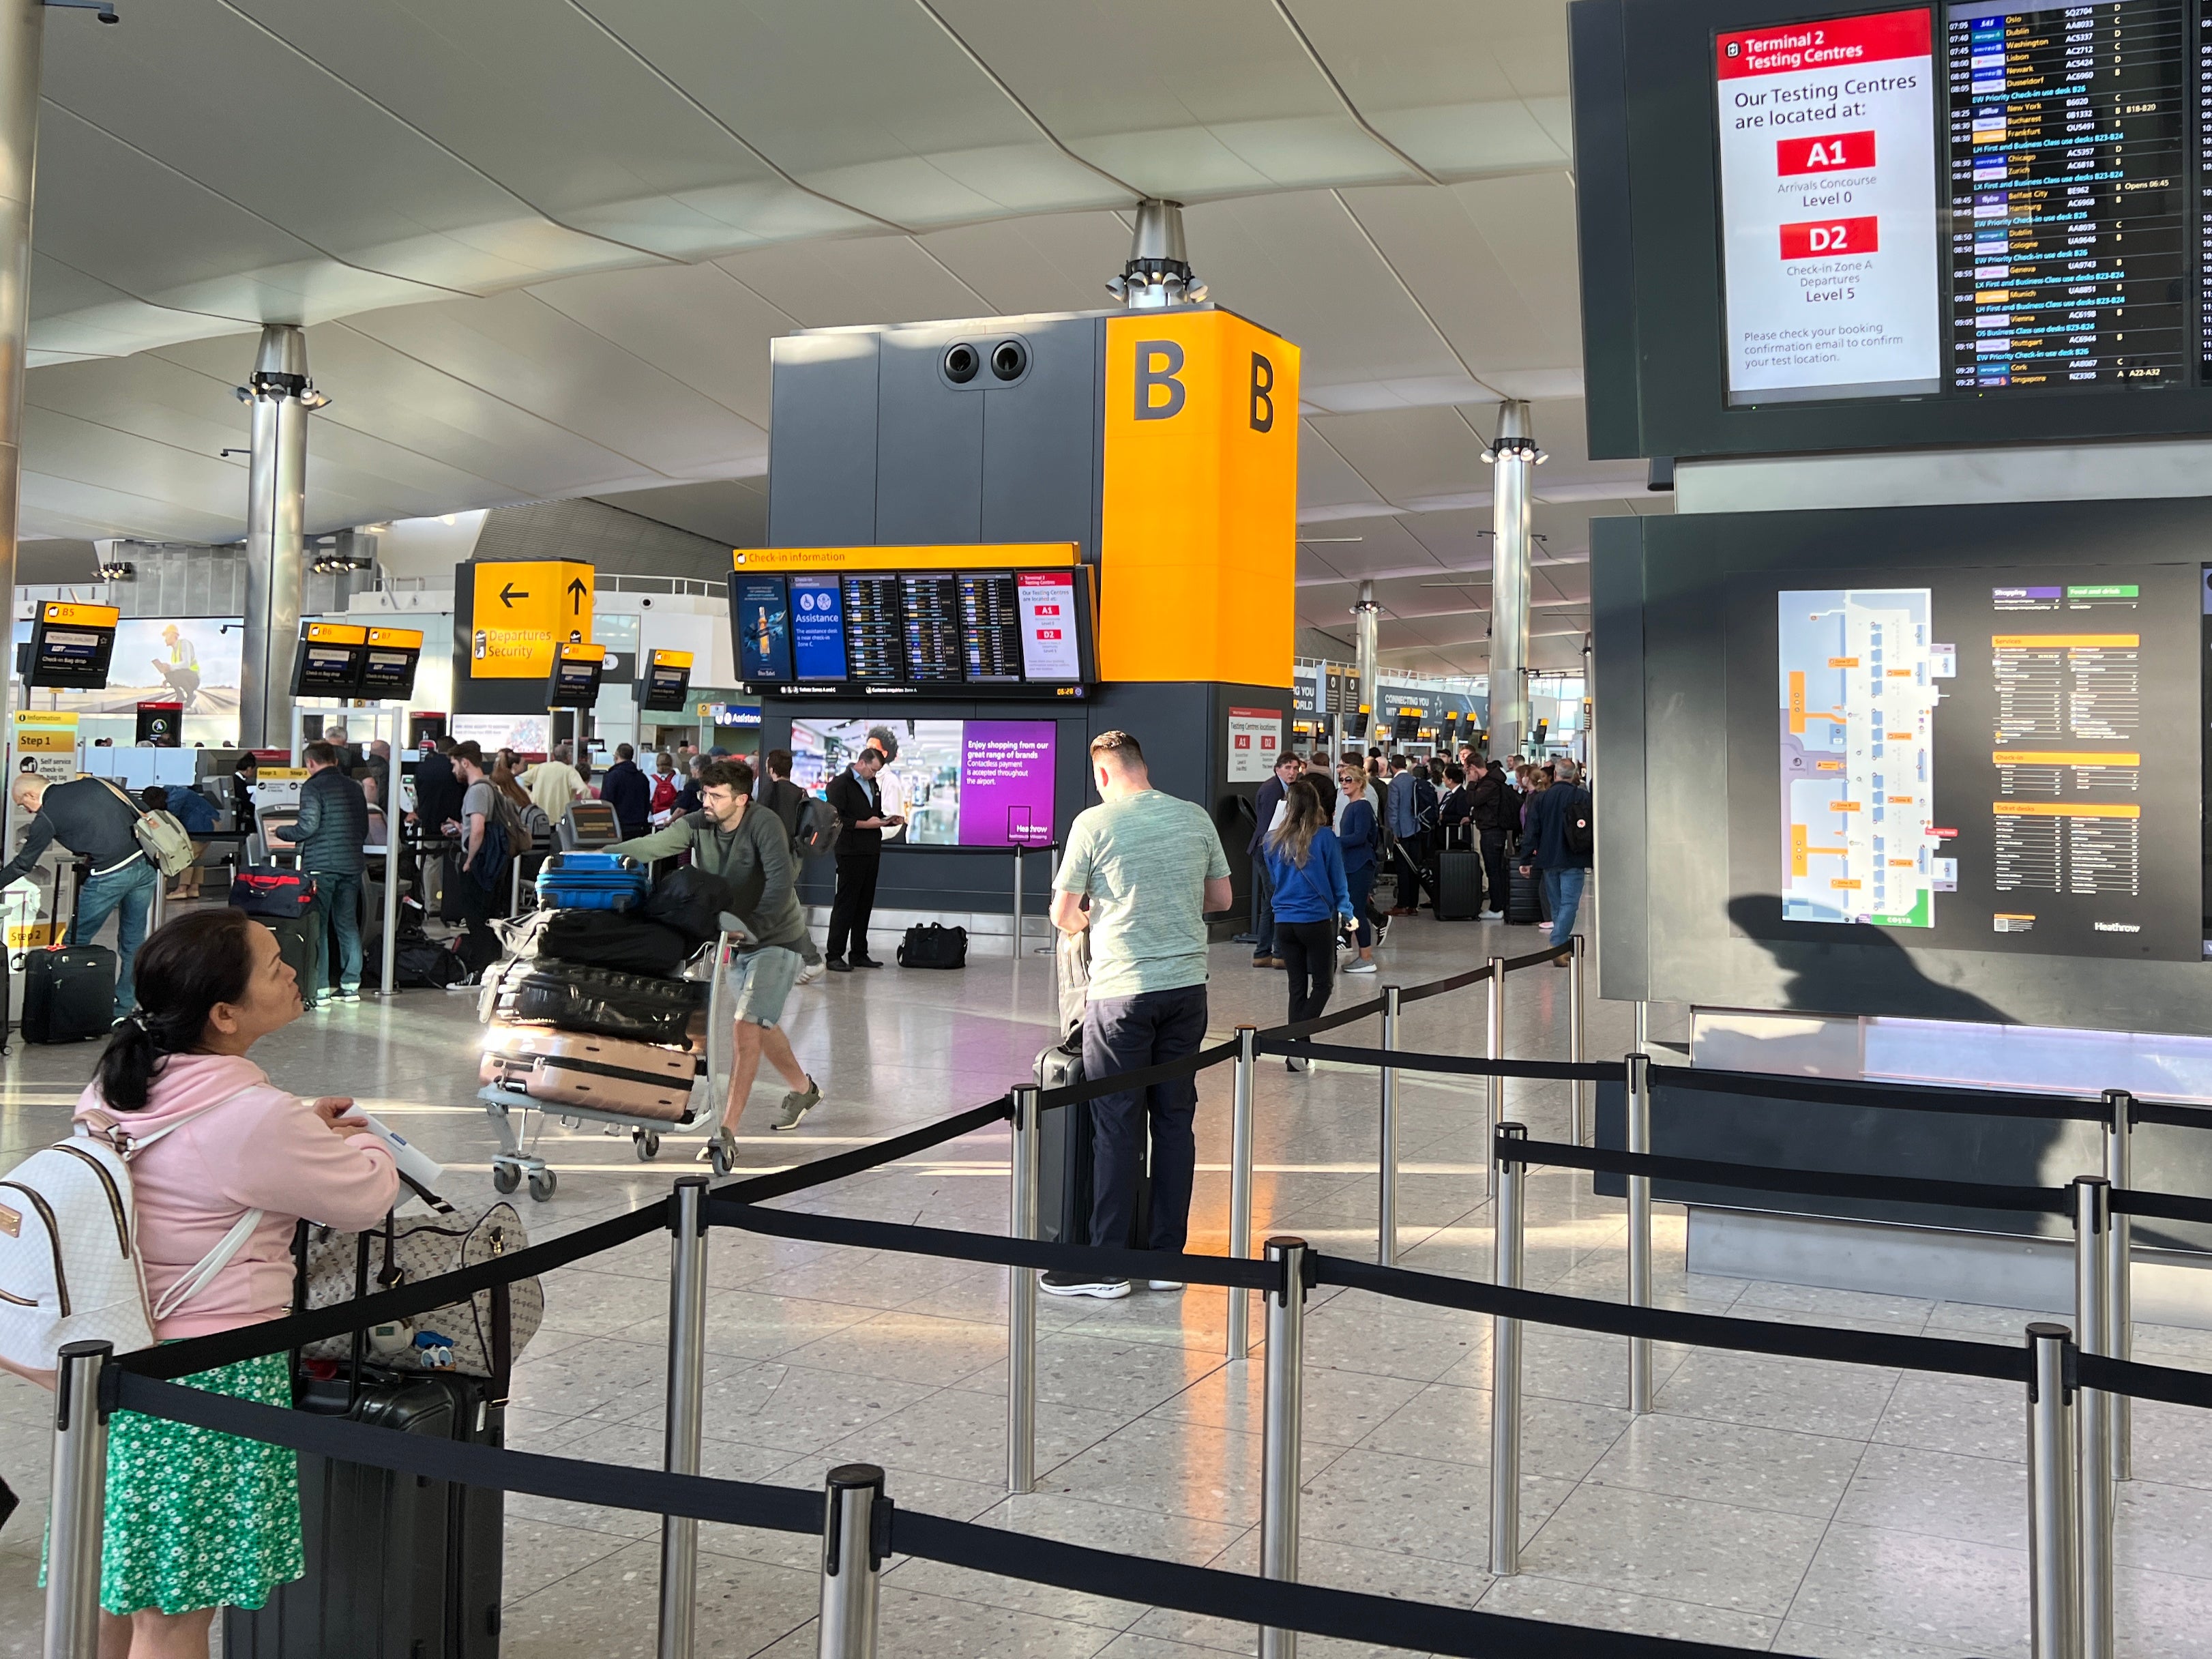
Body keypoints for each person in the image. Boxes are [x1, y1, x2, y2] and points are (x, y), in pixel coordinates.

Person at [55, 913, 395, 1651]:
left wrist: (300, 1125)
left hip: (112, 1360)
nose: (291, 968)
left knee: (116, 1577)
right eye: (273, 963)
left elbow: (208, 1153)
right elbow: (365, 1197)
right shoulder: (253, 1118)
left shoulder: (118, 1086)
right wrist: (371, 1139)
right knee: (177, 1612)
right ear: (223, 1013)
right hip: (213, 1373)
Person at [1044, 731, 1231, 1300]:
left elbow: (1062, 914)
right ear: (1142, 768)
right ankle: (1165, 1260)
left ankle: (1108, 1266)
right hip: (1186, 991)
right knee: (1175, 1121)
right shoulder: (1194, 817)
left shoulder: (1093, 824)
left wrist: (1102, 918)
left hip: (1121, 996)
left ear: (1103, 775)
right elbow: (1221, 900)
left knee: (1117, 1124)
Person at [605, 758, 821, 1151]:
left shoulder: (764, 824)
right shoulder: (699, 823)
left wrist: (748, 925)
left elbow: (779, 883)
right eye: (705, 792)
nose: (707, 801)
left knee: (745, 1028)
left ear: (741, 800)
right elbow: (653, 846)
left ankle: (726, 1132)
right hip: (732, 939)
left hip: (777, 939)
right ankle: (804, 1089)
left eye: (716, 796)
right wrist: (602, 855)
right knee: (761, 1024)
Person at [0, 774, 158, 1021]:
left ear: (31, 795)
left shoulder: (48, 816)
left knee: (76, 940)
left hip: (110, 875)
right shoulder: (95, 783)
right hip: (145, 865)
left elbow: (23, 864)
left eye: (23, 805)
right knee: (133, 942)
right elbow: (144, 809)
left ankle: (69, 1011)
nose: (27, 811)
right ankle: (122, 1008)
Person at [267, 742, 370, 1005]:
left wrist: (280, 832)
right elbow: (363, 827)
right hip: (351, 865)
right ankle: (351, 986)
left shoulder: (313, 787)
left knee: (319, 926)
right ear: (334, 760)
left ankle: (321, 988)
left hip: (321, 866)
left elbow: (308, 827)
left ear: (310, 763)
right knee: (348, 925)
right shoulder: (355, 787)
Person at [1264, 776, 1353, 1070]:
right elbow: (1338, 882)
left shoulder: (1272, 840)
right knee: (1324, 984)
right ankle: (1296, 1042)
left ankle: (1298, 1056)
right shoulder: (1326, 837)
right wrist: (1348, 913)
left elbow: (1276, 881)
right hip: (1315, 920)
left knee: (1296, 987)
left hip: (1284, 921)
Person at [825, 746, 898, 970]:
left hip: (871, 850)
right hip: (850, 851)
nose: (874, 775)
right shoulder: (840, 784)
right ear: (862, 763)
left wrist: (887, 820)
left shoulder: (872, 784)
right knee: (846, 903)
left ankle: (859, 952)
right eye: (872, 770)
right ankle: (834, 954)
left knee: (864, 904)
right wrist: (866, 825)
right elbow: (836, 819)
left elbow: (870, 814)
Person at [441, 742, 510, 955]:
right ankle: (488, 964)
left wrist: (469, 860)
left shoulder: (477, 790)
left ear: (465, 762)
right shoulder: (490, 786)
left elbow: (479, 829)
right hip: (491, 862)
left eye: (455, 765)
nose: (454, 771)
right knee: (487, 918)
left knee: (476, 919)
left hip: (479, 864)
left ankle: (482, 967)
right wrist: (464, 830)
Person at [1520, 757, 1592, 947]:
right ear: (1575, 775)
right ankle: (1559, 942)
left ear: (1555, 774)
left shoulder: (1542, 797)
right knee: (1570, 903)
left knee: (1556, 903)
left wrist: (1525, 859)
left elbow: (1532, 829)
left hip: (1548, 858)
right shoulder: (1583, 797)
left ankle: (1558, 944)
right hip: (1575, 857)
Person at [1245, 751, 1299, 969]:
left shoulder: (1285, 789)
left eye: (1295, 768)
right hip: (1267, 851)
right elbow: (1268, 827)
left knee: (1270, 902)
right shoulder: (1272, 790)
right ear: (1277, 769)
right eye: (1288, 768)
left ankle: (1263, 952)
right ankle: (1278, 952)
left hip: (1272, 850)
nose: (1292, 772)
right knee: (1277, 900)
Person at [1336, 763, 1381, 973]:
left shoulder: (1361, 807)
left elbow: (1360, 836)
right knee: (1354, 910)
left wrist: (1335, 841)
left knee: (1356, 911)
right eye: (1342, 780)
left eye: (1348, 780)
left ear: (1360, 783)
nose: (1344, 784)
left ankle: (1366, 957)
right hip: (1353, 863)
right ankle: (1363, 955)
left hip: (1360, 863)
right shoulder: (1353, 806)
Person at [146, 782, 216, 900]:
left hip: (201, 827)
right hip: (211, 824)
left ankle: (182, 889)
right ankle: (194, 888)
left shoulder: (174, 801)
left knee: (187, 855)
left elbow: (169, 821)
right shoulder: (174, 793)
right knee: (198, 857)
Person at [1383, 754, 1431, 916]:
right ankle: (1412, 905)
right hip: (1416, 828)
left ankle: (1402, 904)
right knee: (1414, 868)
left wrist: (1393, 831)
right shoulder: (1413, 781)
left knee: (1403, 869)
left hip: (1402, 831)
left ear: (1392, 767)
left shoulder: (1395, 784)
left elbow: (1393, 809)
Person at [1470, 758, 1516, 920]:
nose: (1469, 775)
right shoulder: (1495, 781)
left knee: (1493, 871)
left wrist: (1470, 784)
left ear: (1474, 768)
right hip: (1495, 831)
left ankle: (1497, 908)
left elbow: (1473, 800)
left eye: (1469, 771)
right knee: (1496, 870)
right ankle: (1499, 905)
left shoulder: (1489, 784)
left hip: (1492, 832)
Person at [519, 741, 589, 825]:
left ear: (553, 756)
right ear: (568, 757)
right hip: (562, 821)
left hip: (540, 819)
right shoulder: (569, 771)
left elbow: (518, 780)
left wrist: (531, 796)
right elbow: (584, 789)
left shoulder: (541, 768)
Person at [866, 726, 909, 845]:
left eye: (873, 749)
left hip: (884, 847)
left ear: (884, 754)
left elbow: (892, 825)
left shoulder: (890, 781)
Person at [600, 743, 651, 838]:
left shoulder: (612, 776)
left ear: (617, 755)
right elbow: (646, 804)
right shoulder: (642, 778)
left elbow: (606, 803)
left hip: (618, 828)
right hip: (639, 828)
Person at [151, 622, 201, 709]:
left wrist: (170, 667)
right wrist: (166, 680)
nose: (165, 639)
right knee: (167, 672)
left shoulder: (184, 644)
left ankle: (191, 695)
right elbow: (174, 671)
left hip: (194, 678)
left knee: (170, 670)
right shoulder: (174, 653)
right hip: (186, 676)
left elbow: (186, 664)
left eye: (166, 636)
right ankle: (180, 696)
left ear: (172, 635)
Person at [649, 751, 680, 823]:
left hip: (655, 817)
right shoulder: (678, 778)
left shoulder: (651, 779)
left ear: (657, 764)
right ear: (671, 763)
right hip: (672, 817)